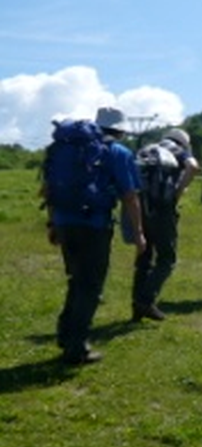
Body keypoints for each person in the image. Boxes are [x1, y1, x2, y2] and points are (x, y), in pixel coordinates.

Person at [41, 107, 146, 364]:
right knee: (90, 286)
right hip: (94, 224)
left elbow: (48, 189)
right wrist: (139, 233)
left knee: (76, 278)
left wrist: (53, 223)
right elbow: (130, 197)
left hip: (65, 221)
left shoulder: (63, 148)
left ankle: (66, 334)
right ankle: (77, 347)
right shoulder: (118, 152)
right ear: (120, 130)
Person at [131, 127, 200, 321]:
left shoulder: (147, 150)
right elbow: (193, 167)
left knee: (144, 259)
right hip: (162, 209)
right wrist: (177, 193)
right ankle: (146, 300)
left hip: (140, 207)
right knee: (166, 259)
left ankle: (136, 307)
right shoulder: (179, 151)